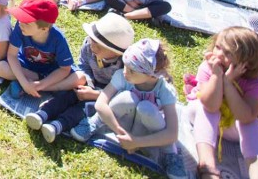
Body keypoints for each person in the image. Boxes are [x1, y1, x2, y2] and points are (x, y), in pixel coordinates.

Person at [71, 39, 185, 179]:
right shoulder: (122, 76)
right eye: (125, 66)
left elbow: (172, 133)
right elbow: (101, 103)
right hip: (122, 125)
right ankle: (95, 122)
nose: (125, 72)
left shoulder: (165, 90)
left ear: (150, 74)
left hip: (145, 130)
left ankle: (170, 154)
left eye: (131, 70)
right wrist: (122, 133)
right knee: (127, 97)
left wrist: (136, 142)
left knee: (147, 108)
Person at [26, 13, 134, 143]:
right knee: (67, 96)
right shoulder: (89, 46)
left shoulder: (125, 67)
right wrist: (88, 83)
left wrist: (95, 95)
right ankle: (42, 114)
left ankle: (57, 126)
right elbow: (84, 66)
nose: (92, 45)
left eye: (98, 46)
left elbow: (123, 94)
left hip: (107, 94)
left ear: (115, 52)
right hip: (89, 85)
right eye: (92, 40)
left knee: (84, 108)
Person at [186, 27, 258, 179]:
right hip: (201, 117)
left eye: (228, 53)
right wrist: (217, 76)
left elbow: (246, 117)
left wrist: (227, 82)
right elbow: (210, 105)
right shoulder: (208, 67)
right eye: (218, 47)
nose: (218, 54)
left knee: (253, 125)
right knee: (206, 110)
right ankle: (207, 167)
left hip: (233, 128)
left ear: (247, 60)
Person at [0, 0, 79, 97]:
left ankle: (40, 87)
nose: (20, 23)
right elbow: (12, 55)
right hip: (26, 67)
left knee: (80, 78)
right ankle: (32, 85)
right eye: (20, 18)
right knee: (1, 67)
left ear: (44, 29)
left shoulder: (58, 38)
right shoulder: (20, 26)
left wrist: (41, 84)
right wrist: (24, 83)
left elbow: (65, 69)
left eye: (26, 22)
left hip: (50, 72)